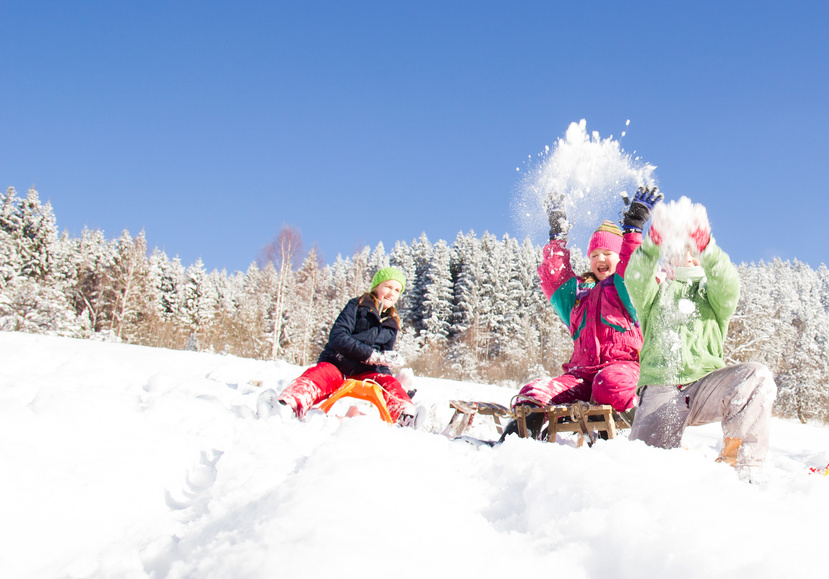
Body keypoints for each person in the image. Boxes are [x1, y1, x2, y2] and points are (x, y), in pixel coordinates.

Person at [624, 197, 777, 481]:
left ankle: (742, 466)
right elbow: (633, 278)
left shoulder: (712, 294)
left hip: (707, 386)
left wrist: (706, 245)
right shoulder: (655, 292)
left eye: (693, 251)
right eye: (677, 251)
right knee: (645, 470)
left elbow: (728, 282)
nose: (686, 256)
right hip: (661, 387)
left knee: (757, 377)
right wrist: (652, 242)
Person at [500, 187, 663, 440]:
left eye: (607, 254)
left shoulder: (627, 290)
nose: (600, 259)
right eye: (595, 254)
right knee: (534, 392)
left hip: (625, 370)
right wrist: (557, 235)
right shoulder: (579, 295)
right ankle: (516, 441)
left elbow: (634, 273)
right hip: (582, 375)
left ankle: (635, 434)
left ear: (619, 257)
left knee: (609, 385)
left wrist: (632, 231)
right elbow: (553, 277)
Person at [259, 266, 420, 426]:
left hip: (366, 373)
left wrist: (390, 375)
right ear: (377, 286)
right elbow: (338, 336)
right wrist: (370, 354)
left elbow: (384, 359)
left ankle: (406, 417)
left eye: (397, 290)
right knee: (319, 376)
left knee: (388, 383)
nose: (392, 292)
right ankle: (287, 405)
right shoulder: (358, 306)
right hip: (338, 364)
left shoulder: (392, 323)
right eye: (388, 287)